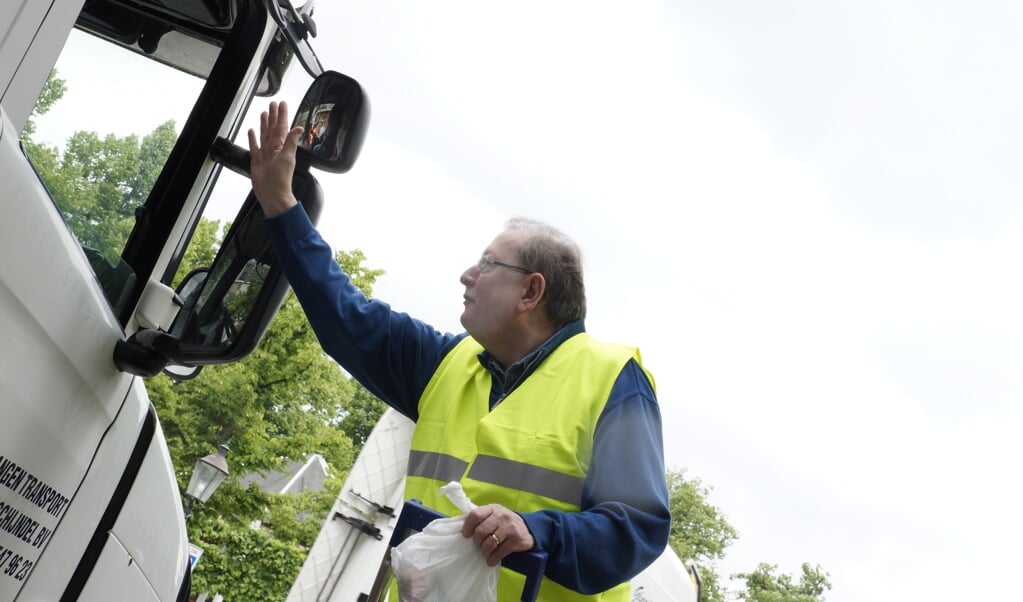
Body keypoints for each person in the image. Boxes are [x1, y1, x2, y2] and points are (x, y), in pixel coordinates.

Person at [247, 101, 670, 601]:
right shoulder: (446, 365)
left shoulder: (612, 380)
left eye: (487, 264)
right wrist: (279, 203)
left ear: (531, 293)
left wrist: (539, 532)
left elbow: (638, 528)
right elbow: (347, 317)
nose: (467, 275)